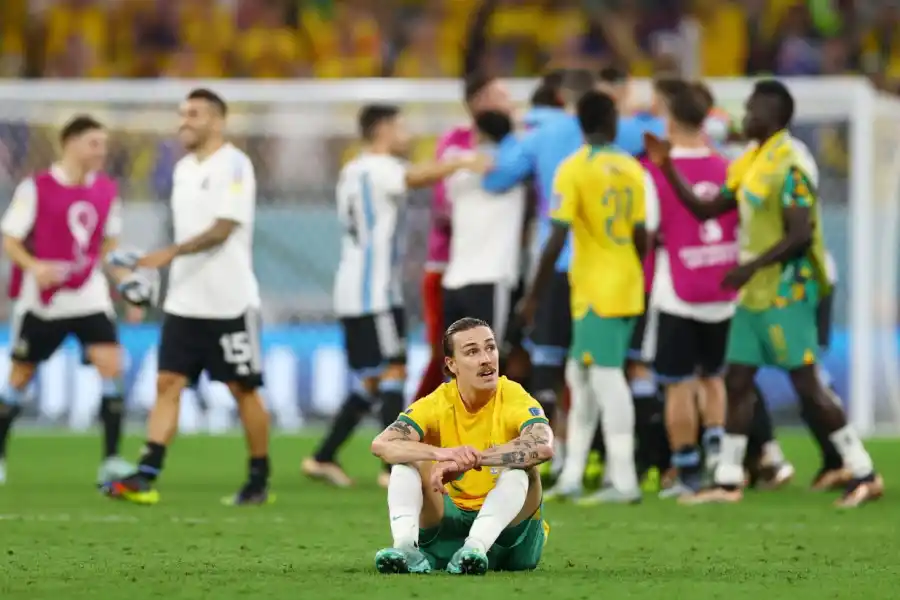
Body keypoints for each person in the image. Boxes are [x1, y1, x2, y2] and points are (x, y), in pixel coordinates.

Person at [644, 79, 882, 508]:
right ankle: (730, 479)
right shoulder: (750, 162)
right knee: (736, 380)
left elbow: (800, 233)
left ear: (773, 117)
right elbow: (707, 209)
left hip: (788, 291)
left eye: (752, 109)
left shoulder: (791, 164)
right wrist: (666, 167)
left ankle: (862, 470)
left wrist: (748, 266)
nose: (744, 117)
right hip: (754, 295)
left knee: (806, 383)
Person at [102, 88, 270, 506]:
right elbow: (179, 236)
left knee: (242, 388)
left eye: (193, 114)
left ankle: (257, 479)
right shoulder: (181, 171)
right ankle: (146, 474)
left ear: (217, 120)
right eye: (181, 114)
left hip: (229, 301)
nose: (184, 122)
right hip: (184, 301)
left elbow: (224, 227)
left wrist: (169, 254)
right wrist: (155, 279)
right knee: (167, 383)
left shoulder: (235, 165)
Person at [303, 104, 483, 488]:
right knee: (394, 370)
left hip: (353, 287)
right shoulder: (379, 168)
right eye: (400, 126)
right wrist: (463, 161)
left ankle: (322, 457)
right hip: (375, 292)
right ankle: (392, 468)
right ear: (382, 130)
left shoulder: (352, 169)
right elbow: (417, 176)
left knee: (372, 379)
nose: (407, 133)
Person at [0, 115, 144, 486]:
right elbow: (10, 239)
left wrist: (127, 286)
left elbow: (108, 246)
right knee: (20, 377)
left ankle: (111, 460)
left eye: (104, 145)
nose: (101, 152)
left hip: (88, 294)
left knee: (112, 366)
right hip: (43, 301)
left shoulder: (106, 191)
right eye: (94, 143)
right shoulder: (36, 188)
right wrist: (35, 267)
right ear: (70, 143)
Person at [520, 90, 647, 504]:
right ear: (611, 123)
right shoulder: (631, 168)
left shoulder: (573, 169)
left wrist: (534, 297)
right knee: (579, 374)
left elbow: (556, 236)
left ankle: (624, 480)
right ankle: (573, 473)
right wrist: (628, 267)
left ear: (581, 124)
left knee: (606, 377)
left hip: (595, 289)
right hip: (626, 281)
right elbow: (643, 234)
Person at [482, 69, 599, 479]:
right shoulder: (601, 133)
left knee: (547, 360)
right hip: (600, 267)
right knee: (596, 366)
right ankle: (597, 457)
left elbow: (496, 177)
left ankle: (549, 454)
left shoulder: (536, 136)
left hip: (555, 263)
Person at [371, 317, 553, 575]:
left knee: (522, 469)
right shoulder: (437, 403)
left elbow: (543, 446)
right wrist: (442, 454)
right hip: (449, 524)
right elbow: (382, 444)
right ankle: (405, 548)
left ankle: (476, 546)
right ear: (451, 364)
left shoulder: (514, 396)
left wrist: (472, 459)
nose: (486, 359)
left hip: (510, 539)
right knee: (406, 462)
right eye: (472, 352)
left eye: (490, 348)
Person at [641, 82, 734, 497]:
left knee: (678, 382)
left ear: (670, 120)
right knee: (714, 377)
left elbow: (648, 232)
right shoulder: (727, 166)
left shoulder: (653, 170)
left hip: (676, 291)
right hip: (723, 289)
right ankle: (717, 452)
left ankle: (686, 469)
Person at [417, 73, 515, 402]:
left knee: (456, 367)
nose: (508, 104)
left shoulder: (455, 162)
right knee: (484, 367)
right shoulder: (513, 163)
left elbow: (440, 199)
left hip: (456, 276)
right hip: (485, 276)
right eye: (501, 98)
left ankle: (434, 441)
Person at [441, 109, 524, 350]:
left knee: (458, 364)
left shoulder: (456, 167)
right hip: (491, 277)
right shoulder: (514, 168)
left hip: (454, 280)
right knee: (487, 363)